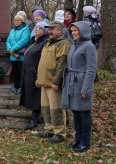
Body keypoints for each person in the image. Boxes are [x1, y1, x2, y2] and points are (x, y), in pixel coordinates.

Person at [62, 21, 97, 152]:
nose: (73, 33)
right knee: (75, 111)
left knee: (84, 113)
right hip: (72, 82)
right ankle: (77, 139)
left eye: (76, 30)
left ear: (84, 32)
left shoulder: (89, 46)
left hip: (82, 83)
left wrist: (86, 88)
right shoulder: (73, 45)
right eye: (72, 31)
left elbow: (91, 68)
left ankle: (85, 142)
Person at [35, 21, 71, 143]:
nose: (49, 31)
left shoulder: (63, 44)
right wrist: (39, 78)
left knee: (56, 109)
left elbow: (62, 64)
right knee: (46, 108)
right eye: (49, 29)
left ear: (60, 30)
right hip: (44, 81)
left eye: (53, 29)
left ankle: (60, 133)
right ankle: (50, 130)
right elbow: (43, 63)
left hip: (53, 83)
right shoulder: (48, 43)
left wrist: (56, 81)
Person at [20, 22, 49, 130]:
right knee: (30, 94)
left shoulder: (45, 42)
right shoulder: (34, 41)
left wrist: (39, 75)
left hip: (36, 73)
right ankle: (36, 116)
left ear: (44, 31)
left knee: (36, 95)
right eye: (36, 27)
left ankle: (35, 119)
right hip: (28, 73)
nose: (36, 29)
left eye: (39, 28)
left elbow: (44, 60)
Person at [6, 15, 30, 95]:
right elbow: (8, 41)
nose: (16, 21)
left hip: (21, 56)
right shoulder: (13, 30)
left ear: (22, 21)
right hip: (13, 56)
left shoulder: (25, 29)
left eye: (18, 20)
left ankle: (21, 88)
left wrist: (13, 49)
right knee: (15, 72)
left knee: (21, 72)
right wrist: (10, 49)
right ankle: (15, 87)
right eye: (15, 20)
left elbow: (24, 41)